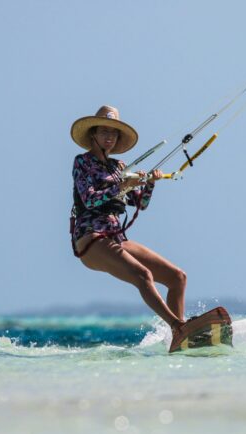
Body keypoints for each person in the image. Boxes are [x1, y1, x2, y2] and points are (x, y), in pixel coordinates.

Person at [69, 105, 187, 339]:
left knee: (177, 277)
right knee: (143, 275)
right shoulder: (82, 162)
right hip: (90, 238)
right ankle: (178, 327)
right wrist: (121, 186)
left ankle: (180, 338)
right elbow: (90, 201)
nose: (110, 137)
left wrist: (149, 183)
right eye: (104, 131)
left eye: (114, 133)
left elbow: (139, 204)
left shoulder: (119, 167)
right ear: (93, 133)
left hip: (116, 238)